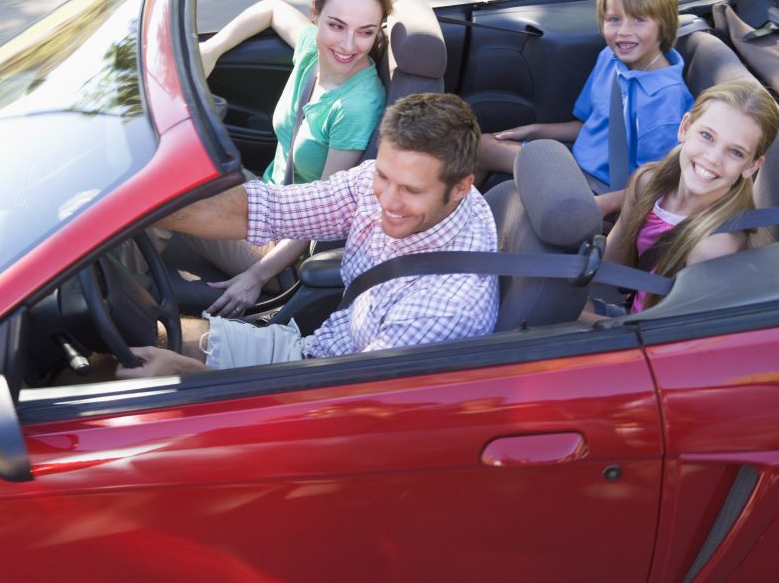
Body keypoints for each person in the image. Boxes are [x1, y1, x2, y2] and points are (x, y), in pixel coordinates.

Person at [118, 93, 499, 378]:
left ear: (462, 187)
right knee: (139, 337)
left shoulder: (446, 307)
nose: (387, 199)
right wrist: (129, 207)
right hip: (314, 354)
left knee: (132, 376)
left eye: (411, 190)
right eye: (384, 176)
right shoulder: (391, 184)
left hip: (320, 394)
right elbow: (274, 208)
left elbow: (341, 410)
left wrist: (188, 376)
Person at [189, 0, 392, 317]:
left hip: (283, 244)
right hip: (264, 199)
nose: (348, 45)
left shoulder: (357, 105)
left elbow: (326, 213)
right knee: (173, 175)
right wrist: (212, 49)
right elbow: (270, 9)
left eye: (365, 31)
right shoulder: (312, 50)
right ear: (316, 13)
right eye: (336, 25)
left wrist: (256, 275)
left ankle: (113, 305)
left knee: (162, 205)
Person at [476, 0, 694, 215]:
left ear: (663, 24)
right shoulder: (610, 59)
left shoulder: (666, 100)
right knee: (481, 145)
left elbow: (657, 182)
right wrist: (536, 130)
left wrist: (601, 207)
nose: (623, 31)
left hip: (602, 189)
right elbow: (591, 126)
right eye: (614, 19)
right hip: (575, 163)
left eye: (638, 20)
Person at [603, 79, 779, 312]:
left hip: (647, 334)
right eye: (707, 136)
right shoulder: (647, 182)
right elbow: (613, 263)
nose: (713, 158)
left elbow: (673, 333)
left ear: (751, 166)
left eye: (735, 152)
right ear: (685, 128)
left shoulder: (715, 246)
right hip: (630, 308)